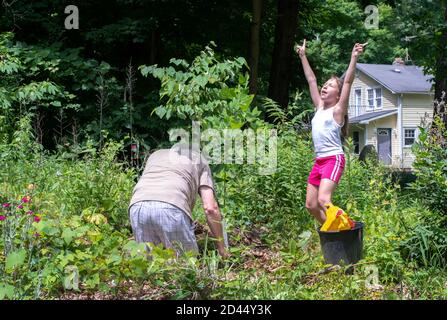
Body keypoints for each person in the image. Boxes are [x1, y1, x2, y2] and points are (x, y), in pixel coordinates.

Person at [296, 39, 366, 224]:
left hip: (333, 159)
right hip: (319, 161)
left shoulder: (337, 111)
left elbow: (349, 82)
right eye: (325, 85)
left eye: (331, 86)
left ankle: (348, 227)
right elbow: (311, 79)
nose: (325, 87)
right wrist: (303, 56)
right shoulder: (319, 107)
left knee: (323, 200)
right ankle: (334, 229)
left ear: (338, 94)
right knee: (311, 205)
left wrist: (354, 57)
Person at [128, 147, 229, 258]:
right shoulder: (199, 159)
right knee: (185, 269)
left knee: (150, 266)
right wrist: (222, 249)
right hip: (171, 207)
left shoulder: (156, 154)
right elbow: (210, 208)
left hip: (137, 206)